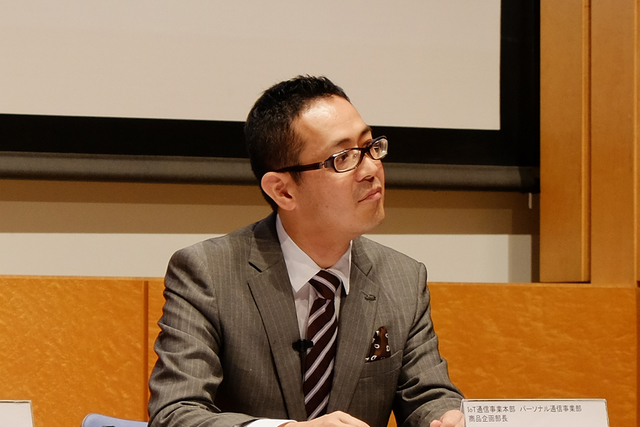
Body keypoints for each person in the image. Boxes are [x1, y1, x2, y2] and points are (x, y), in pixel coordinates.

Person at [148, 75, 465, 427]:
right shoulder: (208, 273)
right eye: (344, 157)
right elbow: (175, 414)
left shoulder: (402, 278)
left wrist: (446, 417)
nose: (371, 169)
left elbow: (427, 396)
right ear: (282, 191)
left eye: (370, 146)